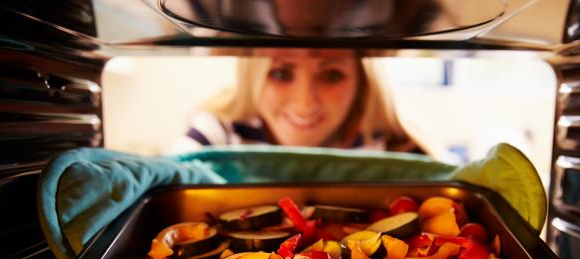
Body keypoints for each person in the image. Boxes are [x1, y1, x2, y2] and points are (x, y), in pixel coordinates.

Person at [176, 48, 428, 154]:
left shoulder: (395, 143)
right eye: (280, 73)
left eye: (331, 75)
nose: (305, 104)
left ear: (361, 79)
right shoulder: (219, 131)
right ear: (252, 74)